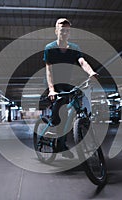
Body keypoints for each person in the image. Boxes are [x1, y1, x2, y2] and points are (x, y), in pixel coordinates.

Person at [43, 18, 97, 158]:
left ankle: (62, 143)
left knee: (70, 112)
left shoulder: (74, 48)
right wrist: (51, 89)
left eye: (67, 31)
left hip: (67, 83)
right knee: (60, 104)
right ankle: (53, 127)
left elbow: (82, 61)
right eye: (62, 30)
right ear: (56, 31)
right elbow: (48, 70)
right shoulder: (50, 48)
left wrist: (90, 72)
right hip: (53, 83)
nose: (65, 33)